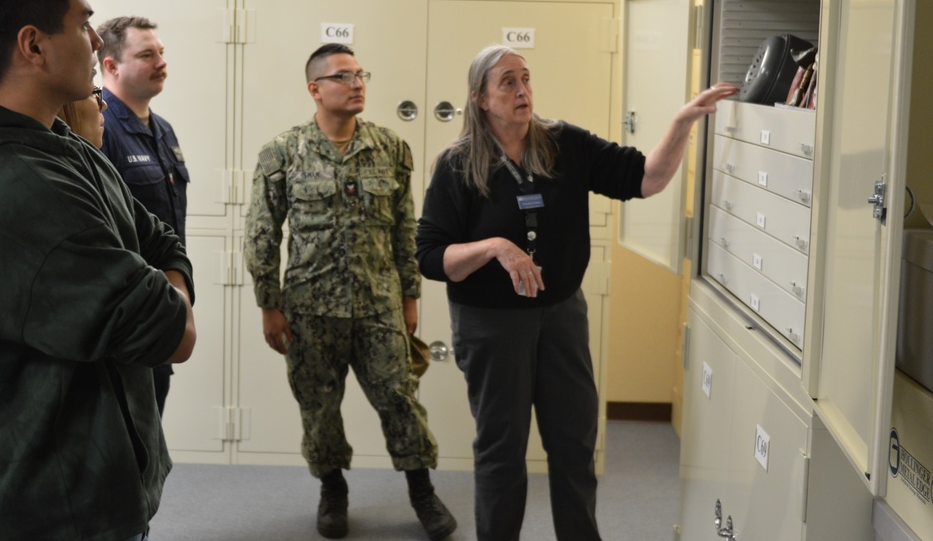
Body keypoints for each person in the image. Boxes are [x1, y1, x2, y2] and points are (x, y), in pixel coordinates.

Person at [415, 44, 739, 541]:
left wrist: (682, 123)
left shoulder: (565, 143)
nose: (522, 91)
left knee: (574, 445)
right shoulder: (459, 165)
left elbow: (646, 179)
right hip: (492, 324)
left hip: (561, 316)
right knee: (501, 451)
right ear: (480, 98)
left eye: (526, 78)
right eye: (507, 82)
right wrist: (496, 247)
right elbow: (432, 257)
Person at [0, 0, 196, 541]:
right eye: (82, 24)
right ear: (33, 45)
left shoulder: (67, 150)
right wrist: (168, 289)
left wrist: (162, 278)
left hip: (98, 481)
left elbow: (162, 239)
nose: (96, 43)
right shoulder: (22, 183)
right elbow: (172, 335)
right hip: (53, 503)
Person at [244, 43, 456, 541]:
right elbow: (261, 232)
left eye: (361, 74)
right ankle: (332, 490)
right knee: (318, 406)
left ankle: (422, 492)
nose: (357, 83)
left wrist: (410, 296)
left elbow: (406, 228)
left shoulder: (389, 147)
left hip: (379, 305)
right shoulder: (283, 151)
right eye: (343, 76)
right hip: (309, 309)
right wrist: (268, 306)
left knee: (401, 399)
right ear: (315, 89)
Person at [97, 16, 188, 416]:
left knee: (150, 438)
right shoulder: (99, 127)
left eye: (161, 53)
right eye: (146, 55)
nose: (161, 63)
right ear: (111, 66)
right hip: (126, 315)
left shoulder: (163, 130)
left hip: (162, 305)